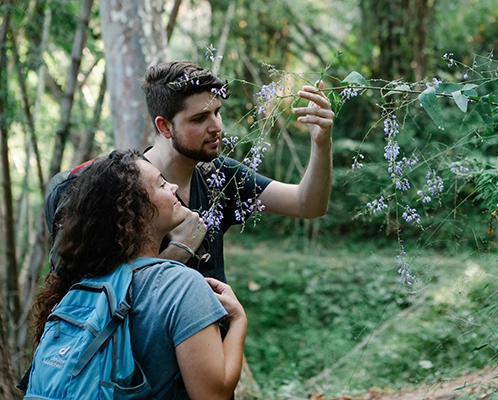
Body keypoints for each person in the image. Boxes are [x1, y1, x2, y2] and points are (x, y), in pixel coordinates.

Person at [31, 150, 247, 400]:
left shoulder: (87, 283)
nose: (174, 186)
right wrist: (238, 320)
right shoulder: (182, 286)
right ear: (138, 209)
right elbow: (214, 394)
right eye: (162, 184)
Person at [142, 60, 334, 282]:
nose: (216, 127)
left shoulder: (220, 175)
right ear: (164, 126)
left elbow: (308, 204)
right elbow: (120, 291)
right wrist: (179, 250)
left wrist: (321, 143)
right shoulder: (126, 187)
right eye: (199, 118)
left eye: (217, 112)